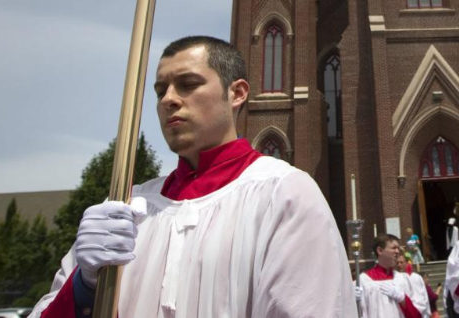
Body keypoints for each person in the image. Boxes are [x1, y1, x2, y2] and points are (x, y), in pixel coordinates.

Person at [30, 35, 356, 317]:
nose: (168, 99)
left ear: (237, 93)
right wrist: (85, 288)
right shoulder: (128, 208)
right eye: (160, 91)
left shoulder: (284, 194)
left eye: (188, 84)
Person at [357, 235, 428, 318]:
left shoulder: (403, 280)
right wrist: (353, 300)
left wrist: (403, 299)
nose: (397, 251)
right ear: (380, 250)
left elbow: (416, 315)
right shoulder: (363, 280)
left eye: (398, 248)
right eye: (394, 248)